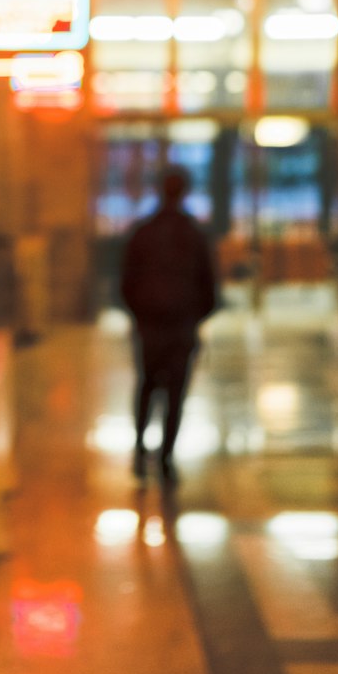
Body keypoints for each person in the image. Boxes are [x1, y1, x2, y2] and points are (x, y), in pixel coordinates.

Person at [120, 166, 218, 487]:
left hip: (150, 325)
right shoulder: (194, 234)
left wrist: (140, 314)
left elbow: (126, 282)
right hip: (180, 325)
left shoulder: (143, 232)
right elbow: (210, 288)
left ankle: (139, 451)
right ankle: (165, 457)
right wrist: (192, 317)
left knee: (147, 386)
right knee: (175, 393)